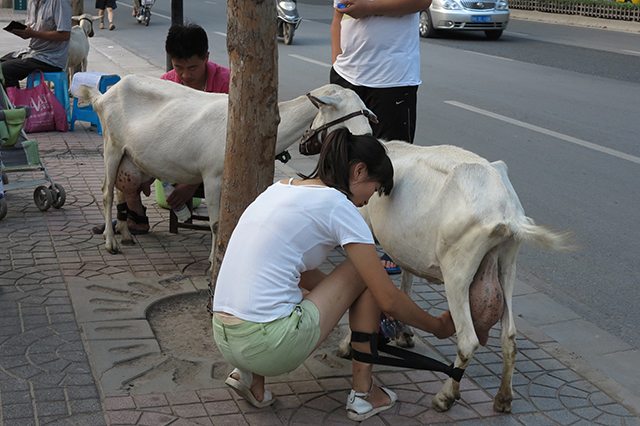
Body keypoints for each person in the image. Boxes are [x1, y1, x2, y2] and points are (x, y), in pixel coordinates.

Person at [212, 128, 455, 421]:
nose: (371, 199)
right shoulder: (338, 205)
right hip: (269, 345)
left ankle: (250, 377)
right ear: (359, 170)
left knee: (284, 290)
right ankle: (364, 396)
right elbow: (388, 299)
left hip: (225, 336)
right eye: (376, 188)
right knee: (365, 272)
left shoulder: (278, 190)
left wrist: (348, 298)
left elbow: (298, 272)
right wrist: (437, 327)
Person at [92, 23, 230, 235]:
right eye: (178, 67)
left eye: (192, 68)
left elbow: (231, 144)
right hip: (172, 156)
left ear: (206, 57)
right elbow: (155, 132)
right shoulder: (165, 84)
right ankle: (135, 217)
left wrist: (191, 185)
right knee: (124, 172)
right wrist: (149, 166)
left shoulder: (227, 84)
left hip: (213, 162)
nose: (185, 75)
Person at [330, 0, 429, 272]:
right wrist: (337, 61)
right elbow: (338, 13)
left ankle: (391, 246)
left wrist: (367, 7)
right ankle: (348, 233)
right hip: (347, 76)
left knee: (392, 164)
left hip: (393, 79)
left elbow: (422, 2)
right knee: (342, 157)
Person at [0, 0, 72, 89]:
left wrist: (33, 33)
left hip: (50, 58)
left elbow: (65, 35)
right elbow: (31, 29)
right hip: (32, 52)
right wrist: (22, 30)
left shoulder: (59, 2)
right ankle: (9, 100)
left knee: (5, 69)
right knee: (1, 65)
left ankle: (15, 102)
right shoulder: (32, 2)